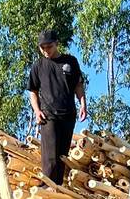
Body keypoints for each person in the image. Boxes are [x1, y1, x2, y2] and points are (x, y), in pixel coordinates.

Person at [27, 29, 87, 185]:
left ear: (57, 43)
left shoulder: (71, 62)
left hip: (68, 114)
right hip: (48, 115)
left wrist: (83, 105)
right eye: (43, 48)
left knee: (62, 156)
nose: (46, 51)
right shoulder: (38, 66)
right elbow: (33, 91)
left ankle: (57, 188)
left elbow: (78, 85)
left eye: (49, 47)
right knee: (50, 155)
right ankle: (46, 186)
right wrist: (37, 111)